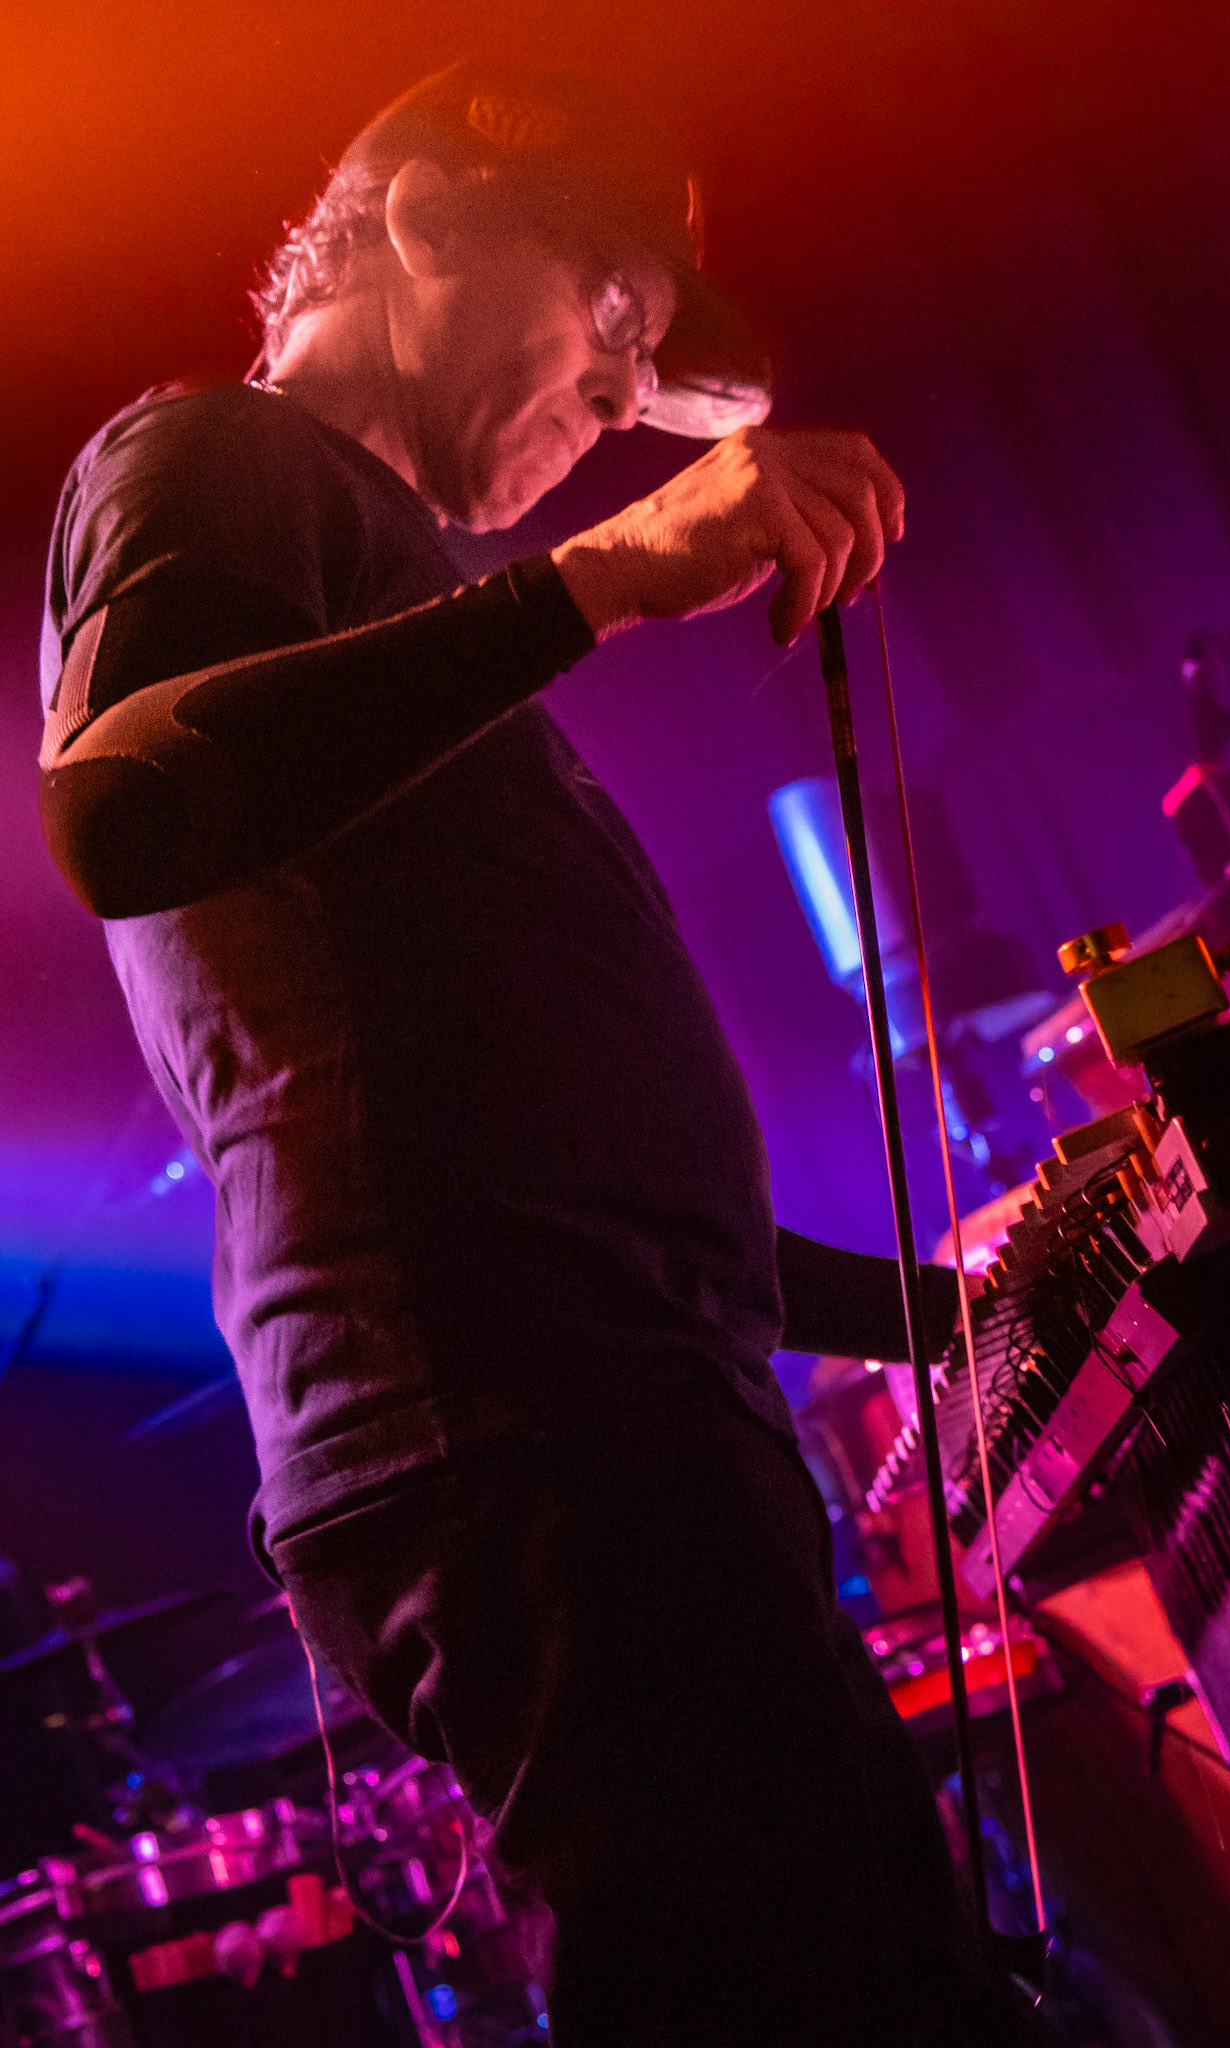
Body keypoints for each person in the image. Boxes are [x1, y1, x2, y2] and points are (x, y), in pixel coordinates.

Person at [39, 62, 1039, 2047]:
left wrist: (951, 1312)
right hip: (522, 1436)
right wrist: (601, 577)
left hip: (589, 1412)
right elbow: (118, 811)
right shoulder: (216, 457)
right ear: (423, 217)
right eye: (615, 314)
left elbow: (543, 1154)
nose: (621, 396)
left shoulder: (404, 612)